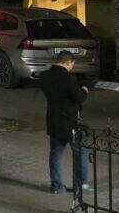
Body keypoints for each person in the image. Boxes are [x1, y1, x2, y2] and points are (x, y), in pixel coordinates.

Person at [39, 51, 89, 194]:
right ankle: (81, 185)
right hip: (70, 122)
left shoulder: (44, 76)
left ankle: (56, 186)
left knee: (55, 154)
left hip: (54, 120)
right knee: (80, 152)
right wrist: (84, 91)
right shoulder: (69, 78)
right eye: (72, 64)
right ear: (68, 62)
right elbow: (78, 97)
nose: (72, 67)